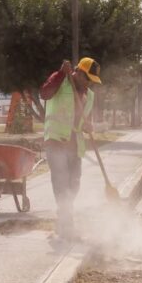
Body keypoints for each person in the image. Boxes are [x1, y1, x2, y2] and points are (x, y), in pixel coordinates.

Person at [39, 57, 102, 240]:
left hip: (75, 145)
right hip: (56, 141)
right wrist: (59, 74)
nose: (89, 83)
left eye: (92, 80)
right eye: (87, 78)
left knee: (74, 184)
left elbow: (78, 120)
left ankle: (62, 217)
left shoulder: (89, 95)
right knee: (61, 182)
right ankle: (67, 225)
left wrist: (86, 126)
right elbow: (45, 94)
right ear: (78, 72)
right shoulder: (61, 82)